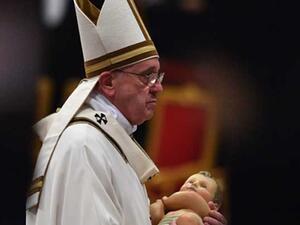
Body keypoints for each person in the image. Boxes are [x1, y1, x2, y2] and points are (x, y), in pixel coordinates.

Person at [26, 0, 227, 224]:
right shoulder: (85, 144)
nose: (158, 87)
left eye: (158, 76)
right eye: (146, 76)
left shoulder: (111, 141)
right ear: (109, 82)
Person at [150, 171, 225, 225]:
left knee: (188, 219)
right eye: (190, 182)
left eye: (203, 186)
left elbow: (190, 198)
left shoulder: (195, 204)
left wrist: (163, 201)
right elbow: (153, 217)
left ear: (215, 206)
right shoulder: (167, 211)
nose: (194, 184)